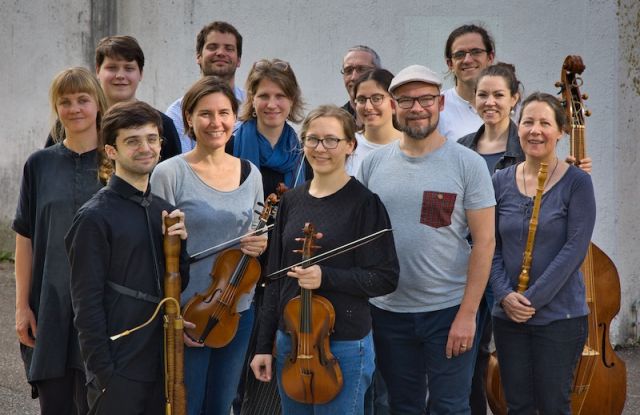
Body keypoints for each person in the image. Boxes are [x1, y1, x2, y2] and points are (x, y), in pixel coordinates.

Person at [357, 65, 496, 414]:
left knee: (450, 406)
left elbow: (485, 243)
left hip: (448, 311)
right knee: (403, 407)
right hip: (388, 311)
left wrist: (467, 314)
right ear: (393, 105)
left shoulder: (468, 164)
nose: (417, 108)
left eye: (426, 99)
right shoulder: (372, 165)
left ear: (441, 103)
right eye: (406, 100)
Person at [251, 104, 399, 414]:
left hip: (343, 345)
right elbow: (274, 280)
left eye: (331, 140)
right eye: (313, 139)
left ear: (350, 145)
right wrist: (264, 346)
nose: (322, 148)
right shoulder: (291, 200)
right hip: (291, 341)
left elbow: (385, 277)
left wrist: (326, 276)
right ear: (302, 144)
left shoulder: (365, 204)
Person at [151, 76, 266, 415]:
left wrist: (260, 242)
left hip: (239, 310)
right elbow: (156, 253)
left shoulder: (251, 173)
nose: (216, 123)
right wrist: (173, 314)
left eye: (224, 113)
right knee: (187, 405)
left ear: (236, 118)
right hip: (189, 314)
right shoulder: (169, 173)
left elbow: (259, 232)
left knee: (221, 405)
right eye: (205, 114)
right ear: (188, 118)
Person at [66, 101, 190, 414]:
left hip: (161, 365)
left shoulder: (162, 209)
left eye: (152, 139)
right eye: (132, 141)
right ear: (111, 151)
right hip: (118, 370)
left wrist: (180, 249)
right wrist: (104, 373)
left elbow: (175, 286)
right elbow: (85, 303)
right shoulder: (94, 217)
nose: (145, 148)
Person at [490, 92, 595, 414]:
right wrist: (506, 295)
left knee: (553, 405)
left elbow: (575, 249)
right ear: (517, 128)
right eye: (528, 122)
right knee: (517, 405)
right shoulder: (499, 180)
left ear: (561, 131)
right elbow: (486, 245)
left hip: (559, 317)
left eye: (545, 123)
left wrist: (530, 301)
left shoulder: (577, 183)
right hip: (507, 315)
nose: (535, 130)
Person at [13, 66, 107, 414]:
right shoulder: (39, 164)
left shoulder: (116, 162)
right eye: (65, 101)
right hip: (49, 306)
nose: (75, 108)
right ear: (56, 107)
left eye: (83, 99)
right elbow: (25, 238)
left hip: (102, 308)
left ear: (98, 102)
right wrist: (22, 307)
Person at [45, 36, 182, 160]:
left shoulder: (163, 124)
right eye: (112, 68)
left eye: (129, 68)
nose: (120, 76)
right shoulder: (74, 120)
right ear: (98, 71)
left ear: (141, 73)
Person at [166, 21, 246, 152]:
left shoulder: (253, 105)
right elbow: (182, 163)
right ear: (198, 56)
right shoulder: (177, 112)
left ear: (238, 60)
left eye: (229, 48)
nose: (220, 52)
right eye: (212, 47)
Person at [232, 58, 307, 194]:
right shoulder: (229, 147)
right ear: (252, 99)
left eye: (280, 96)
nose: (271, 105)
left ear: (292, 100)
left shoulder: (302, 154)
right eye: (264, 96)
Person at [439, 24, 495, 141]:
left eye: (476, 52)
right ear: (450, 64)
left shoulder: (509, 105)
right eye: (460, 54)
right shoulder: (438, 108)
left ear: (490, 57)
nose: (468, 60)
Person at [345, 68, 401, 176]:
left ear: (394, 103)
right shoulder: (347, 145)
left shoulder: (411, 145)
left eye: (376, 98)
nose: (368, 107)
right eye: (361, 100)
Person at [340, 45, 381, 120]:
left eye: (362, 69)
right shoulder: (337, 120)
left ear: (378, 73)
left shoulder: (394, 118)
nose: (354, 77)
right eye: (348, 70)